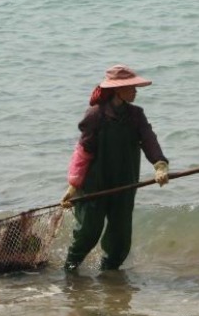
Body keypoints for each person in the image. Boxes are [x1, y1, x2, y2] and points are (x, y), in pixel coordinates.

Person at [61, 64, 169, 272]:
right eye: (132, 87)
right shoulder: (95, 115)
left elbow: (149, 140)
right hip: (94, 185)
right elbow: (82, 152)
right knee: (88, 233)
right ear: (118, 90)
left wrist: (160, 165)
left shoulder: (136, 115)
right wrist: (73, 186)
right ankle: (70, 272)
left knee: (120, 239)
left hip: (124, 184)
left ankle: (109, 277)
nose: (136, 91)